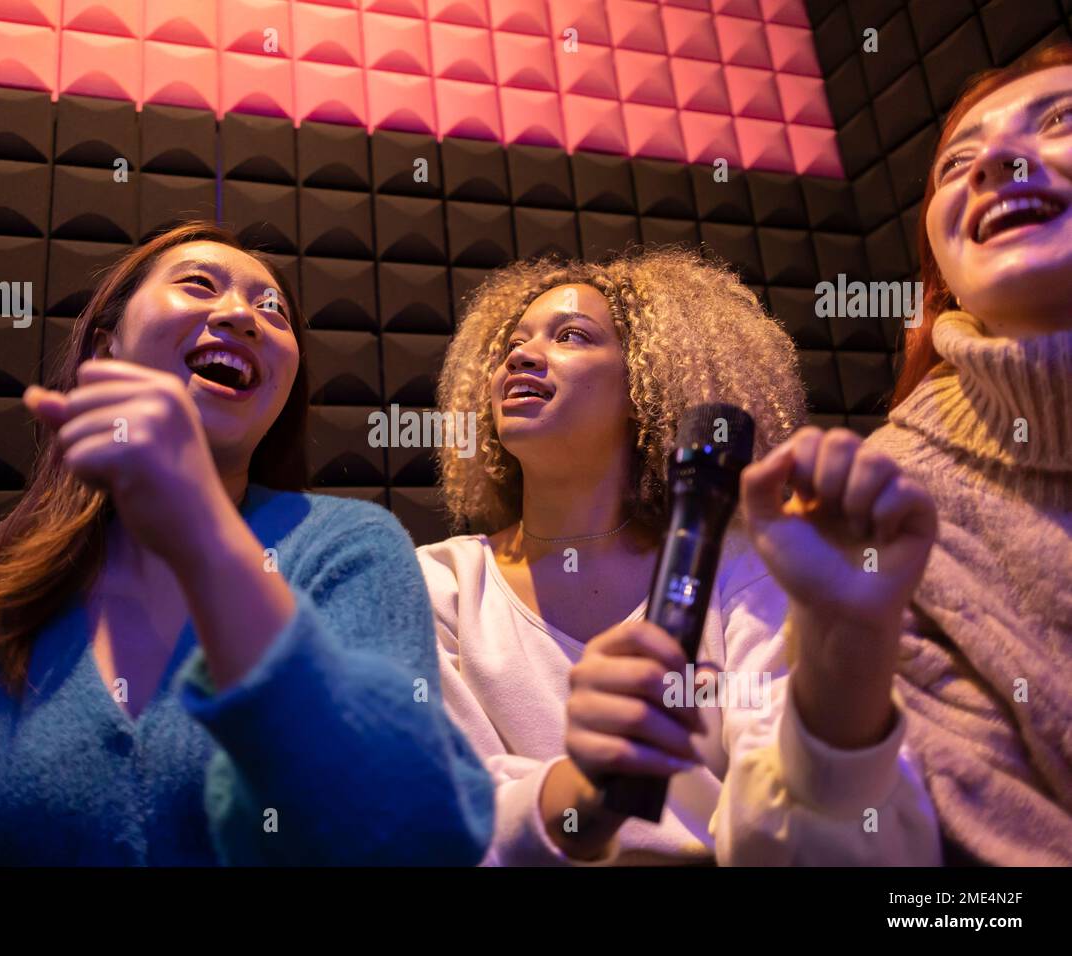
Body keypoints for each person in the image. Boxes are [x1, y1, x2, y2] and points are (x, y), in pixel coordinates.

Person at [0, 220, 493, 865]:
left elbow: (415, 834)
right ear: (104, 342)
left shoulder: (350, 549)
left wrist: (206, 539)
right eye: (199, 285)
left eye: (272, 309)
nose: (243, 315)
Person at [418, 250, 942, 865]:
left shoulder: (739, 570)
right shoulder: (439, 585)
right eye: (515, 341)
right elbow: (436, 818)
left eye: (571, 337)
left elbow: (823, 828)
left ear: (647, 387)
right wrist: (580, 793)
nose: (522, 356)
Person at [867, 41, 1072, 865]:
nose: (994, 162)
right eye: (957, 162)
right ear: (941, 275)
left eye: (1061, 120)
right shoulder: (889, 497)